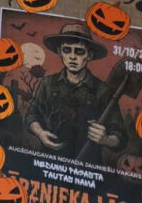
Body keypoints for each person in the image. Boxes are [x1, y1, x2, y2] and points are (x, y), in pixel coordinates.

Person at [25, 22, 125, 162]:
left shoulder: (103, 90)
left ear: (89, 55)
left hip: (87, 164)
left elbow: (120, 136)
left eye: (79, 51)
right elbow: (31, 115)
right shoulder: (47, 84)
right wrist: (40, 133)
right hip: (49, 161)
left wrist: (107, 139)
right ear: (60, 52)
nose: (72, 57)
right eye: (67, 50)